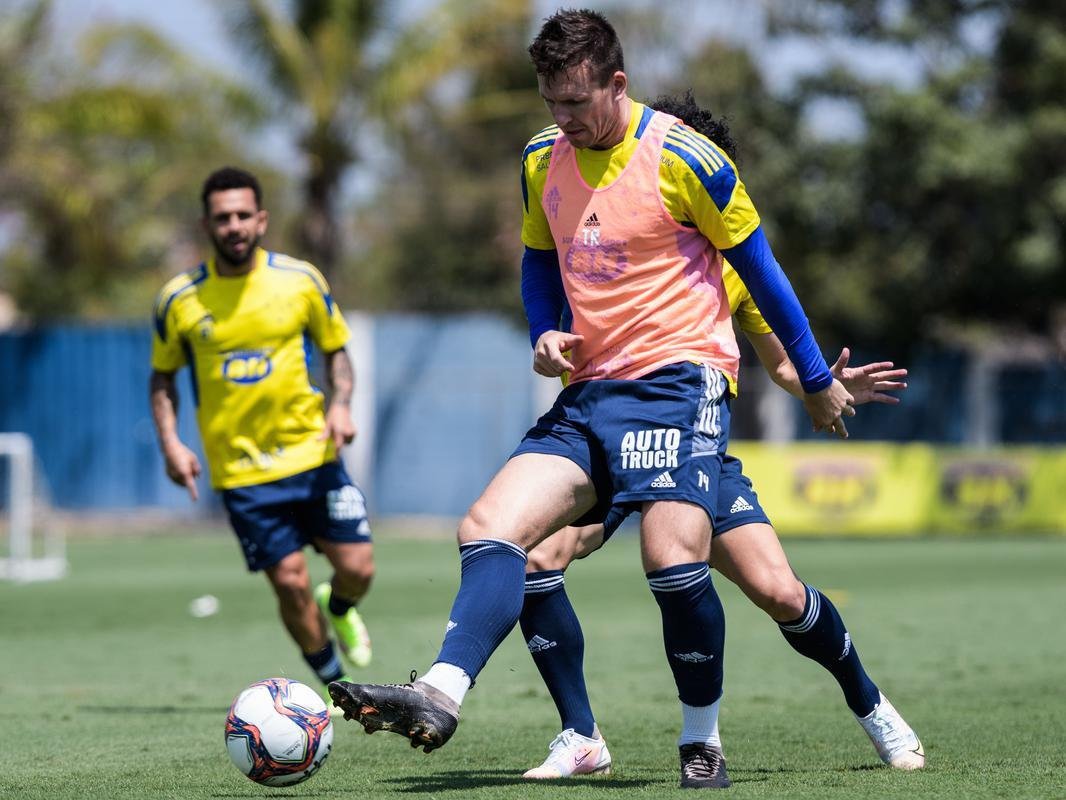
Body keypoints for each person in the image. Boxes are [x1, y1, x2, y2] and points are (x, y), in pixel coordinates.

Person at [330, 9, 856, 789]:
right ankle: (441, 693)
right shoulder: (542, 159)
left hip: (681, 384)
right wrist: (544, 330)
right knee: (488, 529)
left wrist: (815, 380)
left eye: (576, 102)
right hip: (590, 392)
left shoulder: (691, 160)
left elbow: (767, 280)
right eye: (550, 103)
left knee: (678, 564)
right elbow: (538, 264)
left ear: (617, 83)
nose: (562, 120)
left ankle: (701, 740)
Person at [516, 92, 924, 782]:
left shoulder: (727, 265)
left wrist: (827, 382)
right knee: (532, 559)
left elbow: (783, 364)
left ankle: (871, 703)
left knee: (779, 592)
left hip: (687, 440)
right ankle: (580, 734)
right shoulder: (606, 233)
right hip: (608, 437)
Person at [149, 167, 374, 709]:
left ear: (262, 219)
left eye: (242, 215)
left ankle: (340, 608)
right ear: (207, 224)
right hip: (244, 473)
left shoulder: (300, 281)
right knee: (291, 584)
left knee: (357, 570)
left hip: (314, 455)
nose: (233, 226)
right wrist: (173, 444)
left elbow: (336, 349)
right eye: (222, 217)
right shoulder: (180, 299)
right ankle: (338, 688)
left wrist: (341, 405)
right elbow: (162, 377)